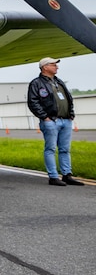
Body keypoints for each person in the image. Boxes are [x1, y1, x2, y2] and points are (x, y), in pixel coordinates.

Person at [27, 57, 84, 187]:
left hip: (66, 120)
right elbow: (33, 102)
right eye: (53, 65)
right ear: (45, 67)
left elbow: (68, 98)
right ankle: (53, 176)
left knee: (65, 149)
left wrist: (71, 114)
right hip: (51, 121)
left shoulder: (59, 82)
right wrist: (45, 117)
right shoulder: (36, 83)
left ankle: (67, 174)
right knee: (51, 148)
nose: (56, 67)